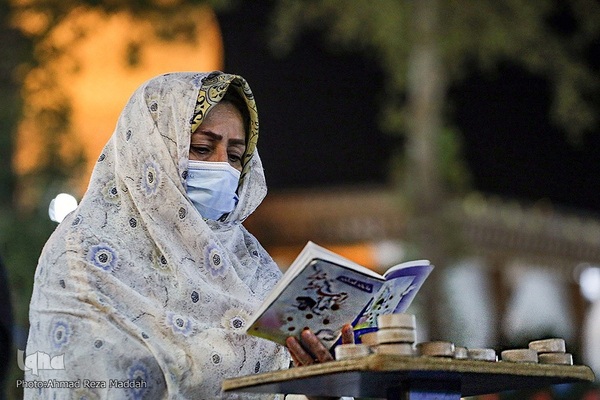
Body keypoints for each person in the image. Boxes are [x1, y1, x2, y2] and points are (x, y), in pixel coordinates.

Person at [25, 71, 353, 399]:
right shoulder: (81, 256)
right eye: (201, 148)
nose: (223, 166)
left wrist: (319, 386)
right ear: (149, 150)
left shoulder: (247, 261)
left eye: (236, 156)